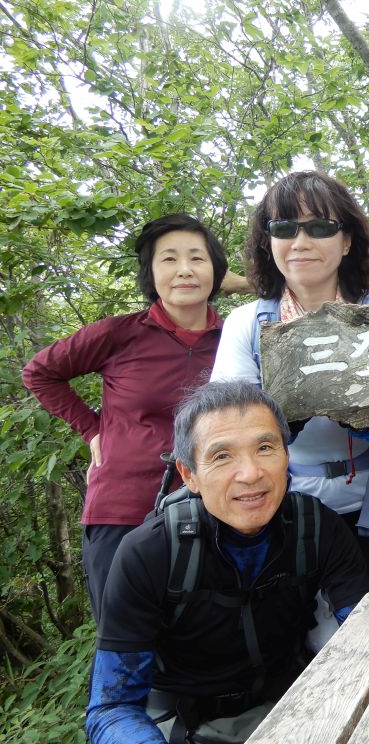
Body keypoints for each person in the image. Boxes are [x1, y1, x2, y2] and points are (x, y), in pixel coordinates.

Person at [84, 380, 369, 744]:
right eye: (222, 456)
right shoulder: (149, 553)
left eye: (265, 447)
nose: (250, 473)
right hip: (181, 723)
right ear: (190, 476)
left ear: (286, 455)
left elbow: (367, 633)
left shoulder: (316, 529)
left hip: (293, 708)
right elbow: (112, 706)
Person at [211, 171, 369, 589]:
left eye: (319, 227)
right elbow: (232, 425)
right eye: (284, 228)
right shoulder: (246, 324)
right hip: (284, 509)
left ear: (347, 241)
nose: (300, 242)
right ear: (269, 242)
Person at [22, 214, 227, 619]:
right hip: (123, 511)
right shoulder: (119, 334)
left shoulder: (235, 337)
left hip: (211, 509)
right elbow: (40, 373)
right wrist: (91, 428)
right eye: (168, 259)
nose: (184, 269)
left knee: (205, 639)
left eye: (197, 259)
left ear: (216, 271)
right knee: (123, 637)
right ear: (151, 274)